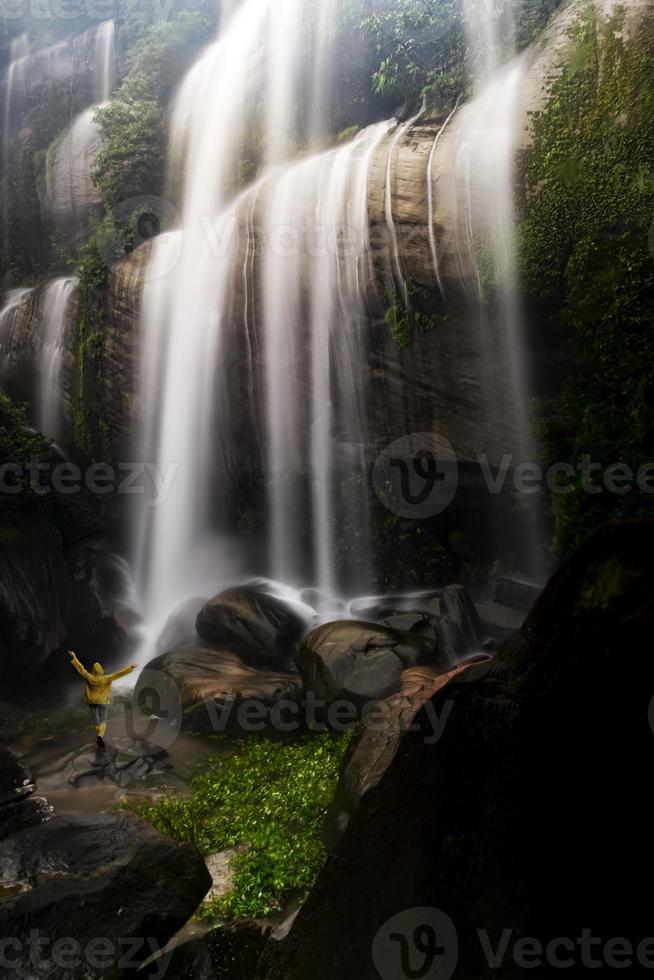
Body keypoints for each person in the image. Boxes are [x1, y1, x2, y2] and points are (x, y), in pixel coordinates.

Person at [68, 651, 137, 747]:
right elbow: (118, 674)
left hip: (92, 701)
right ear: (101, 670)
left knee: (96, 719)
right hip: (103, 701)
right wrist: (131, 667)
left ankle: (98, 736)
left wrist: (74, 657)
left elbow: (81, 669)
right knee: (103, 720)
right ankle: (100, 735)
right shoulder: (106, 678)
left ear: (93, 670)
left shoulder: (89, 677)